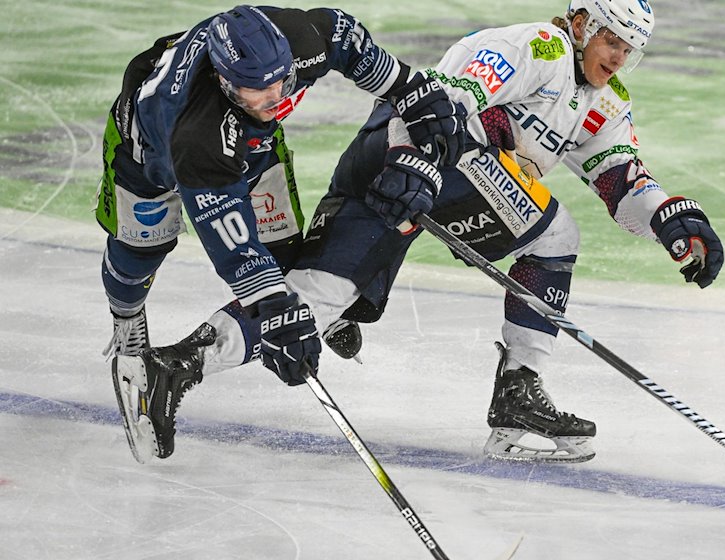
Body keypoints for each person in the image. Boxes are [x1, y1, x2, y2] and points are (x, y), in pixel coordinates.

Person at [124, 0, 724, 464]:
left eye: (629, 49)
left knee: (327, 294)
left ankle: (180, 363)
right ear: (582, 20)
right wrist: (420, 162)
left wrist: (672, 218)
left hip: (429, 174)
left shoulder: (604, 102)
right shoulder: (537, 47)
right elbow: (447, 96)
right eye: (611, 39)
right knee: (553, 234)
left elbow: (622, 180)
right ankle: (517, 388)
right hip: (405, 153)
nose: (617, 56)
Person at [99, 5, 466, 463]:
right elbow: (237, 250)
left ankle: (317, 307)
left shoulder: (305, 40)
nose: (275, 99)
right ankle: (128, 326)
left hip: (251, 146)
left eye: (282, 84)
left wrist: (415, 92)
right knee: (140, 252)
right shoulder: (199, 138)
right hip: (147, 157)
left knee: (288, 254)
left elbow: (357, 49)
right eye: (258, 91)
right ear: (223, 81)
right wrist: (273, 311)